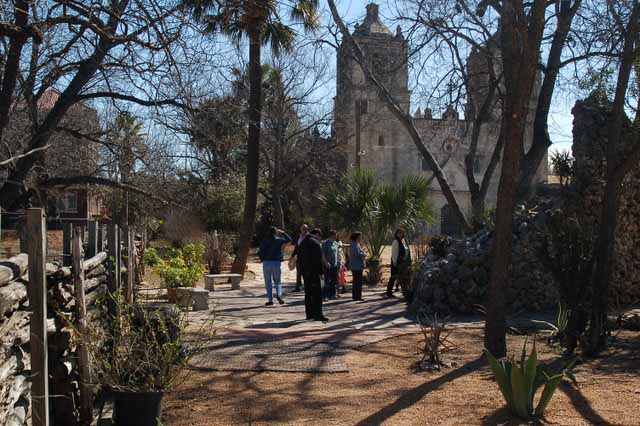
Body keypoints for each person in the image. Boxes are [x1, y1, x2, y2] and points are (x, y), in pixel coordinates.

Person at [297, 228, 328, 321]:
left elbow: (299, 258)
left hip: (305, 272)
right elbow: (318, 260)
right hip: (314, 272)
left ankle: (309, 314)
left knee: (308, 293)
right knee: (317, 294)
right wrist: (321, 273)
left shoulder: (302, 243)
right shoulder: (315, 243)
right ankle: (318, 314)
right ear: (317, 235)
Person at [258, 226, 292, 306]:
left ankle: (270, 300)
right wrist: (283, 233)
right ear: (276, 232)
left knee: (268, 282)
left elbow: (260, 251)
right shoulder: (278, 240)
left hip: (266, 262)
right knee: (277, 281)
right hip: (276, 262)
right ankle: (279, 295)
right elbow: (289, 240)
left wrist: (262, 259)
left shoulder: (264, 240)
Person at [386, 228, 411, 297]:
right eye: (399, 233)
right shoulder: (396, 241)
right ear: (396, 234)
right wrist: (394, 262)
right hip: (396, 262)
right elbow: (394, 253)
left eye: (401, 233)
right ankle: (389, 292)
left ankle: (403, 291)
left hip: (402, 263)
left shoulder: (402, 241)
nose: (400, 234)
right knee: (393, 277)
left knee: (401, 277)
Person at [321, 230, 341, 300]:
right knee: (327, 281)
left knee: (334, 280)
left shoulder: (336, 243)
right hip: (327, 265)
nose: (336, 236)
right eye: (335, 235)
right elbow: (322, 254)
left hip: (335, 265)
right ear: (332, 235)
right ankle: (324, 296)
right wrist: (326, 262)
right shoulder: (325, 243)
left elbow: (340, 248)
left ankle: (332, 295)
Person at [348, 232, 366, 301]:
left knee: (358, 281)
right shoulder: (353, 244)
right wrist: (363, 254)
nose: (360, 238)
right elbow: (357, 254)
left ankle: (357, 296)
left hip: (358, 265)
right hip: (356, 266)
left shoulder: (357, 244)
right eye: (360, 237)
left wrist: (362, 253)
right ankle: (356, 296)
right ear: (356, 237)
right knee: (357, 281)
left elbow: (360, 252)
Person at [291, 224, 309, 292]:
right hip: (299, 258)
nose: (304, 230)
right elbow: (296, 247)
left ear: (307, 229)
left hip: (307, 258)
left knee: (306, 273)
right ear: (300, 229)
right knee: (298, 273)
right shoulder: (299, 237)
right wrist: (292, 255)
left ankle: (306, 287)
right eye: (302, 228)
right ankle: (298, 287)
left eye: (305, 229)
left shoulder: (309, 237)